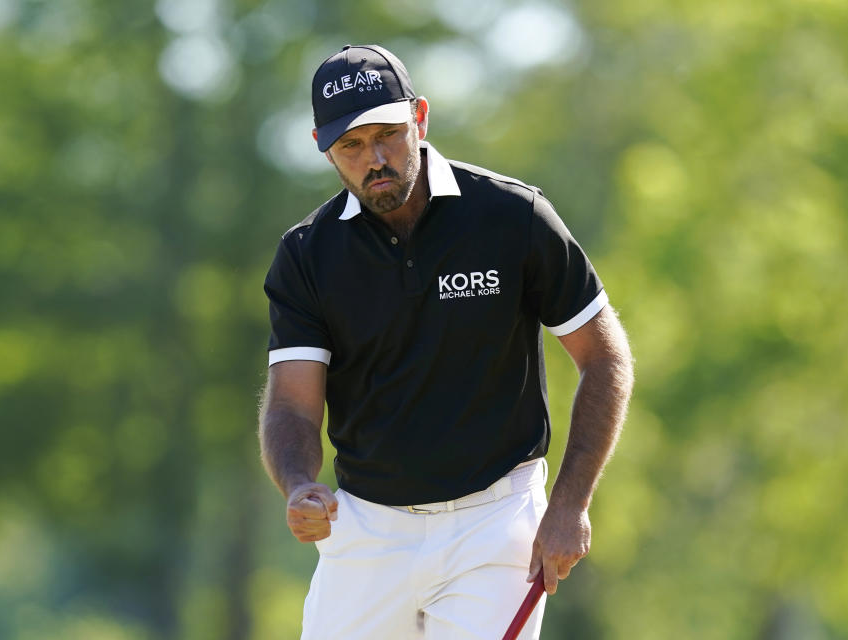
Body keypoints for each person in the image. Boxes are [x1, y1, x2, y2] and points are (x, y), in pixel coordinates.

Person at [258, 44, 634, 640]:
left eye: (388, 134)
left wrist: (569, 504)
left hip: (495, 522)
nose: (374, 159)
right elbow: (291, 406)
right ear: (322, 148)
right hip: (367, 530)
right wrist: (300, 483)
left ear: (421, 117)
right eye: (351, 146)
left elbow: (605, 358)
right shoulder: (307, 254)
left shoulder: (513, 217)